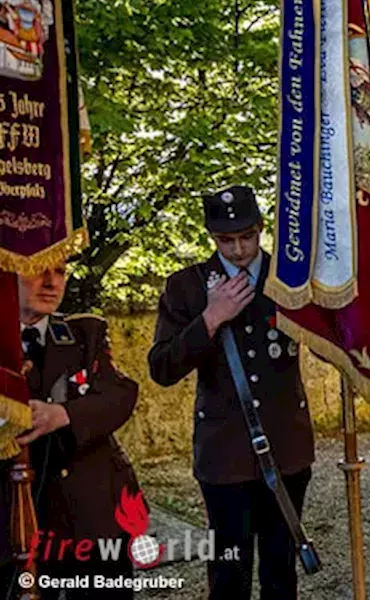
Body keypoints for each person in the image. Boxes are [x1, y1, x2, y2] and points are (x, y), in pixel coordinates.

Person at [148, 186, 314, 599]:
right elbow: (162, 368)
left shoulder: (288, 279)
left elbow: (333, 340)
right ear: (211, 237)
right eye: (226, 239)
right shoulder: (186, 287)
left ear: (260, 229)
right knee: (228, 573)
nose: (239, 249)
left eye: (247, 236)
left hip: (286, 447)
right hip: (225, 455)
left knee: (281, 569)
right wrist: (210, 318)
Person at [0, 261, 140, 599]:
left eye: (60, 271)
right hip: (17, 518)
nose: (51, 283)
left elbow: (120, 393)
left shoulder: (84, 334)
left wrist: (62, 414)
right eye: (37, 270)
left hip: (91, 514)